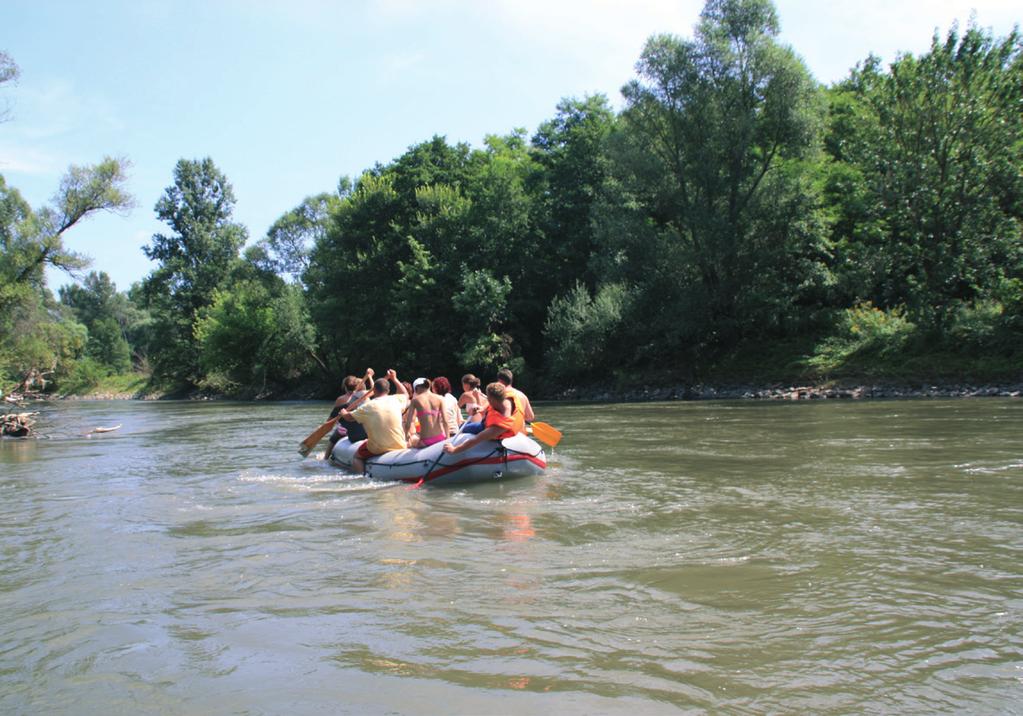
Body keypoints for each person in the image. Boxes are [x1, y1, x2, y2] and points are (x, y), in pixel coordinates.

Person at [339, 369, 410, 474]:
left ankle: (361, 478)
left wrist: (343, 413)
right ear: (388, 390)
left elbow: (349, 418)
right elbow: (405, 394)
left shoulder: (368, 406)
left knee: (357, 457)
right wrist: (394, 379)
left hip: (377, 448)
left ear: (374, 391)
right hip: (399, 444)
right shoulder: (396, 400)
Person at [444, 382, 524, 456]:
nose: (487, 399)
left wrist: (454, 450)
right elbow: (491, 404)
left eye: (488, 398)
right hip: (488, 422)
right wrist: (482, 408)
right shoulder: (506, 399)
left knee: (462, 428)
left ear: (492, 399)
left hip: (488, 429)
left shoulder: (499, 427)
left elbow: (476, 439)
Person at [323, 369, 372, 459]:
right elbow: (372, 389)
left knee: (333, 438)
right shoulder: (365, 397)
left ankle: (325, 458)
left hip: (346, 431)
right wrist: (368, 376)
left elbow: (331, 419)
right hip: (366, 430)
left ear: (345, 387)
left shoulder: (341, 399)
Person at [404, 378, 451, 448]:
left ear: (417, 388)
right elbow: (445, 421)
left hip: (425, 440)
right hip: (440, 437)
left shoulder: (415, 400)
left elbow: (408, 423)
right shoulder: (440, 398)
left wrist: (406, 437)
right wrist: (448, 439)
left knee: (412, 440)